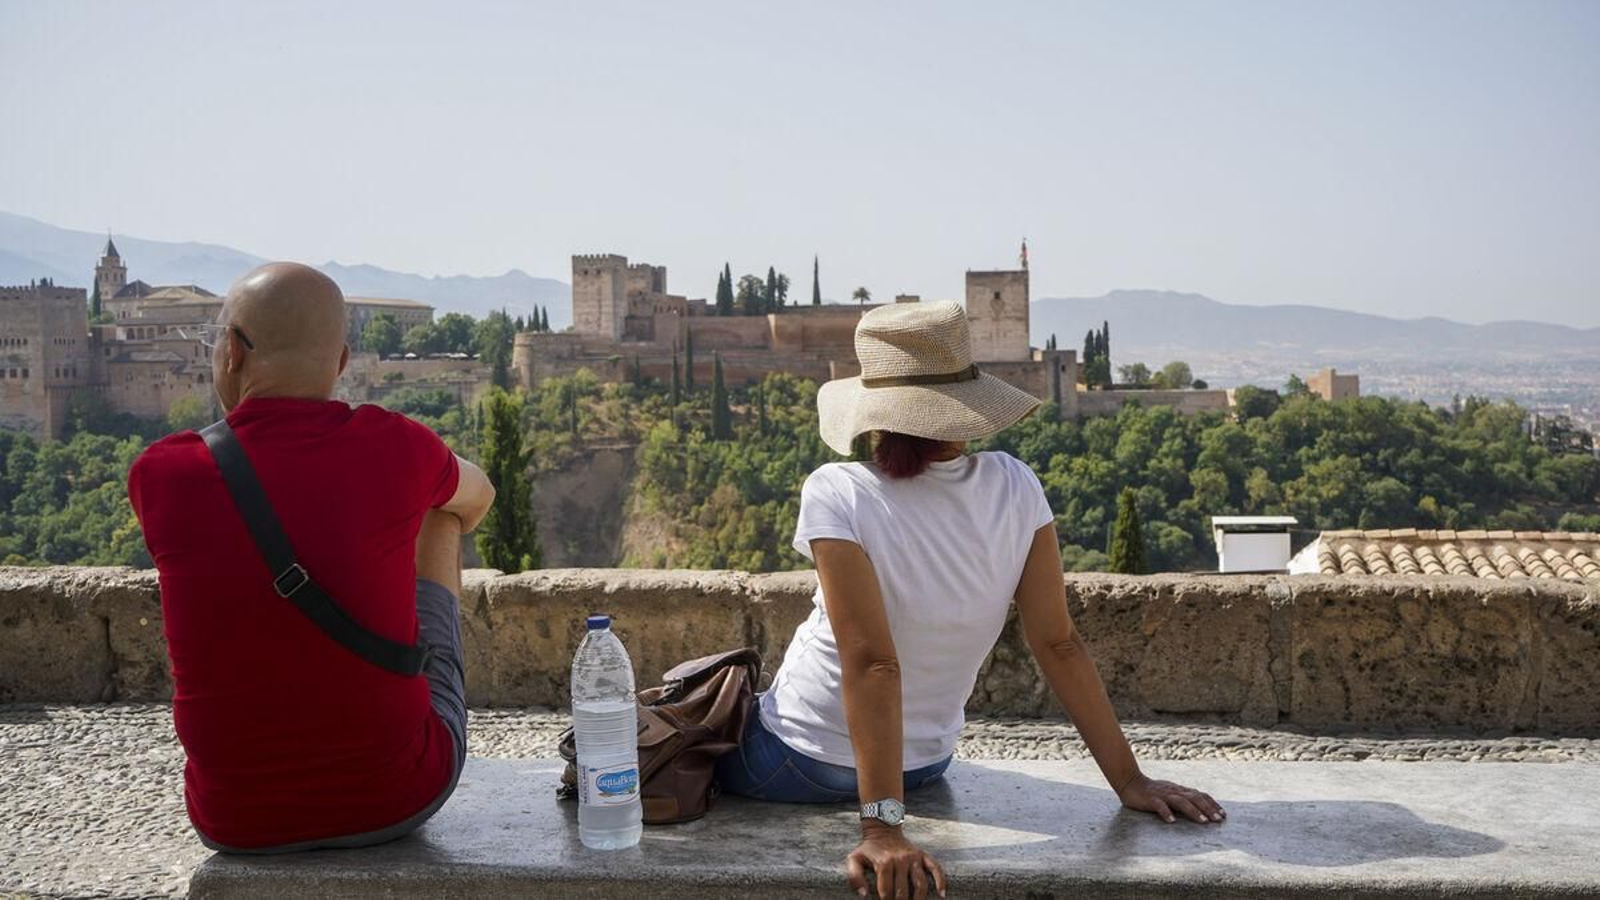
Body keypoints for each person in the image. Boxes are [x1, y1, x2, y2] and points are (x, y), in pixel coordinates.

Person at [714, 301, 1223, 899]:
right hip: (924, 763)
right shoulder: (1016, 484)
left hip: (803, 757)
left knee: (681, 732)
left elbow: (873, 662)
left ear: (874, 409)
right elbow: (1058, 642)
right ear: (964, 406)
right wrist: (1130, 781)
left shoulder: (837, 490)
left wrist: (883, 829)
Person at [127, 262, 495, 852]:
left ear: (231, 353)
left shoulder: (160, 474)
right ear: (343, 362)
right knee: (439, 509)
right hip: (398, 797)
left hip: (233, 819)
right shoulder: (397, 445)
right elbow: (479, 495)